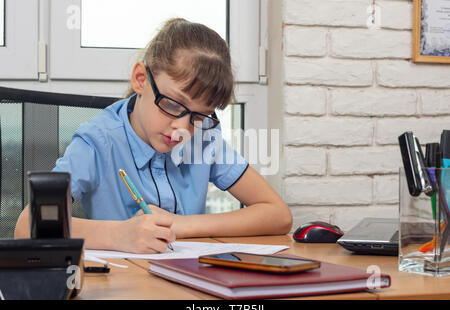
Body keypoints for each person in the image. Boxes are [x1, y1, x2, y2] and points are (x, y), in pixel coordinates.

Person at [14, 18, 292, 253]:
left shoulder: (203, 139)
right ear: (141, 80)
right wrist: (119, 235)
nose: (182, 129)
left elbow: (277, 214)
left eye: (198, 116)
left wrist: (180, 225)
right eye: (172, 105)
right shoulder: (98, 141)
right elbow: (28, 225)